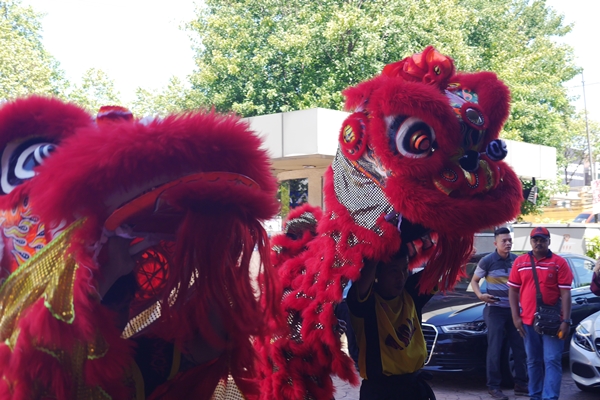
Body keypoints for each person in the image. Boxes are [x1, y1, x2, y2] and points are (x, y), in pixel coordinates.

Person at [347, 246, 435, 400]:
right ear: (377, 273)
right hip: (380, 392)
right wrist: (378, 246)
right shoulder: (365, 303)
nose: (401, 277)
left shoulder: (411, 293)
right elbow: (364, 279)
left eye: (404, 269)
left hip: (414, 389)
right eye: (393, 271)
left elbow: (440, 266)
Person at [508, 227, 573, 400]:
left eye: (542, 240)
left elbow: (566, 293)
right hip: (527, 322)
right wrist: (515, 317)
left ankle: (550, 397)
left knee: (552, 360)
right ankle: (535, 396)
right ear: (531, 241)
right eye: (535, 240)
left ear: (548, 241)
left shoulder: (559, 263)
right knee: (533, 361)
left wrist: (566, 321)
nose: (539, 243)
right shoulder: (520, 262)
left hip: (554, 322)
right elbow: (513, 291)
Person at [470, 227, 527, 400]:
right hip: (495, 310)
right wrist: (480, 296)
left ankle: (521, 384)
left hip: (514, 310)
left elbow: (523, 284)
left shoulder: (517, 260)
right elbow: (474, 281)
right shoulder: (487, 261)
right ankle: (493, 386)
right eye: (504, 241)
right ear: (496, 243)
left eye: (510, 240)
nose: (508, 243)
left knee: (519, 347)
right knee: (495, 347)